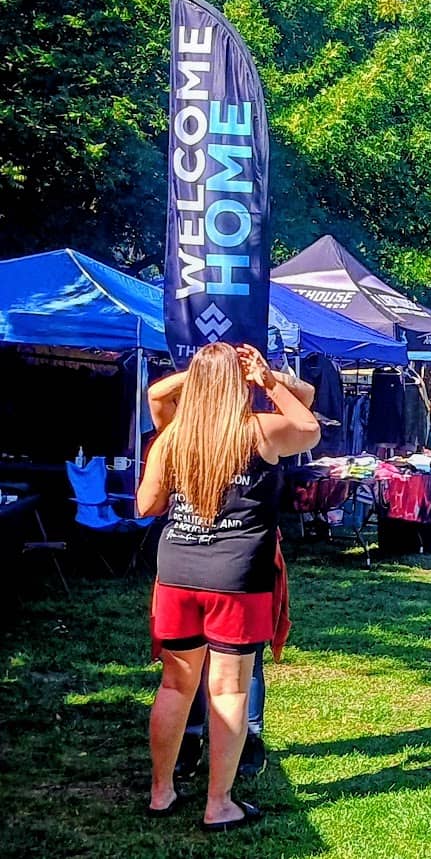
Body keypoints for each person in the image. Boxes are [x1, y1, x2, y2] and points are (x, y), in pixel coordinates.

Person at [137, 343, 320, 831]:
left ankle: (161, 792)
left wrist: (200, 375)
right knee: (228, 689)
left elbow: (145, 506)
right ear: (239, 384)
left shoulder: (173, 437)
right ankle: (218, 803)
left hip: (177, 570)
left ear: (195, 384)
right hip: (237, 576)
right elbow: (310, 427)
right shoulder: (258, 430)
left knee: (176, 683)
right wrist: (267, 381)